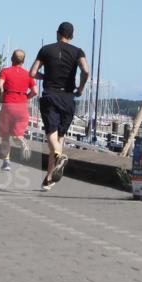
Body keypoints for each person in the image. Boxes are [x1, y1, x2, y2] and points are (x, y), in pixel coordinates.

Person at [29, 22, 89, 191]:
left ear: (57, 33)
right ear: (72, 36)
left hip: (51, 95)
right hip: (68, 98)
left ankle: (60, 156)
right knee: (59, 138)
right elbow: (85, 70)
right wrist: (81, 88)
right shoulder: (78, 52)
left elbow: (32, 72)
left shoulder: (45, 50)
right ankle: (49, 178)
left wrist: (45, 76)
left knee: (51, 134)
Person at [0, 50, 37, 171]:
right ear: (23, 61)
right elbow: (35, 91)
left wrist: (0, 94)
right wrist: (26, 97)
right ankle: (21, 140)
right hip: (22, 107)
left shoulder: (5, 71)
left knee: (5, 136)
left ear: (11, 59)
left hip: (8, 105)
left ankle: (6, 163)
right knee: (17, 135)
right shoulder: (28, 74)